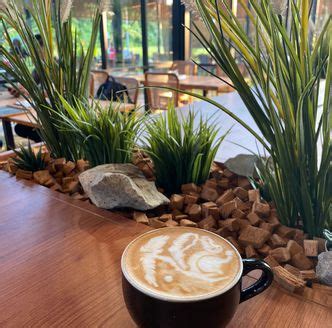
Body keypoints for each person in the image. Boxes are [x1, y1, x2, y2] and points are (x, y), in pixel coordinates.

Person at [8, 34, 43, 143]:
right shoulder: (38, 68)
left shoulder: (55, 66)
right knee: (20, 128)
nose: (31, 54)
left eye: (34, 49)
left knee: (21, 128)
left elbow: (57, 92)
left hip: (55, 117)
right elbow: (29, 84)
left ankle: (50, 148)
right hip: (41, 112)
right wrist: (19, 89)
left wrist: (30, 92)